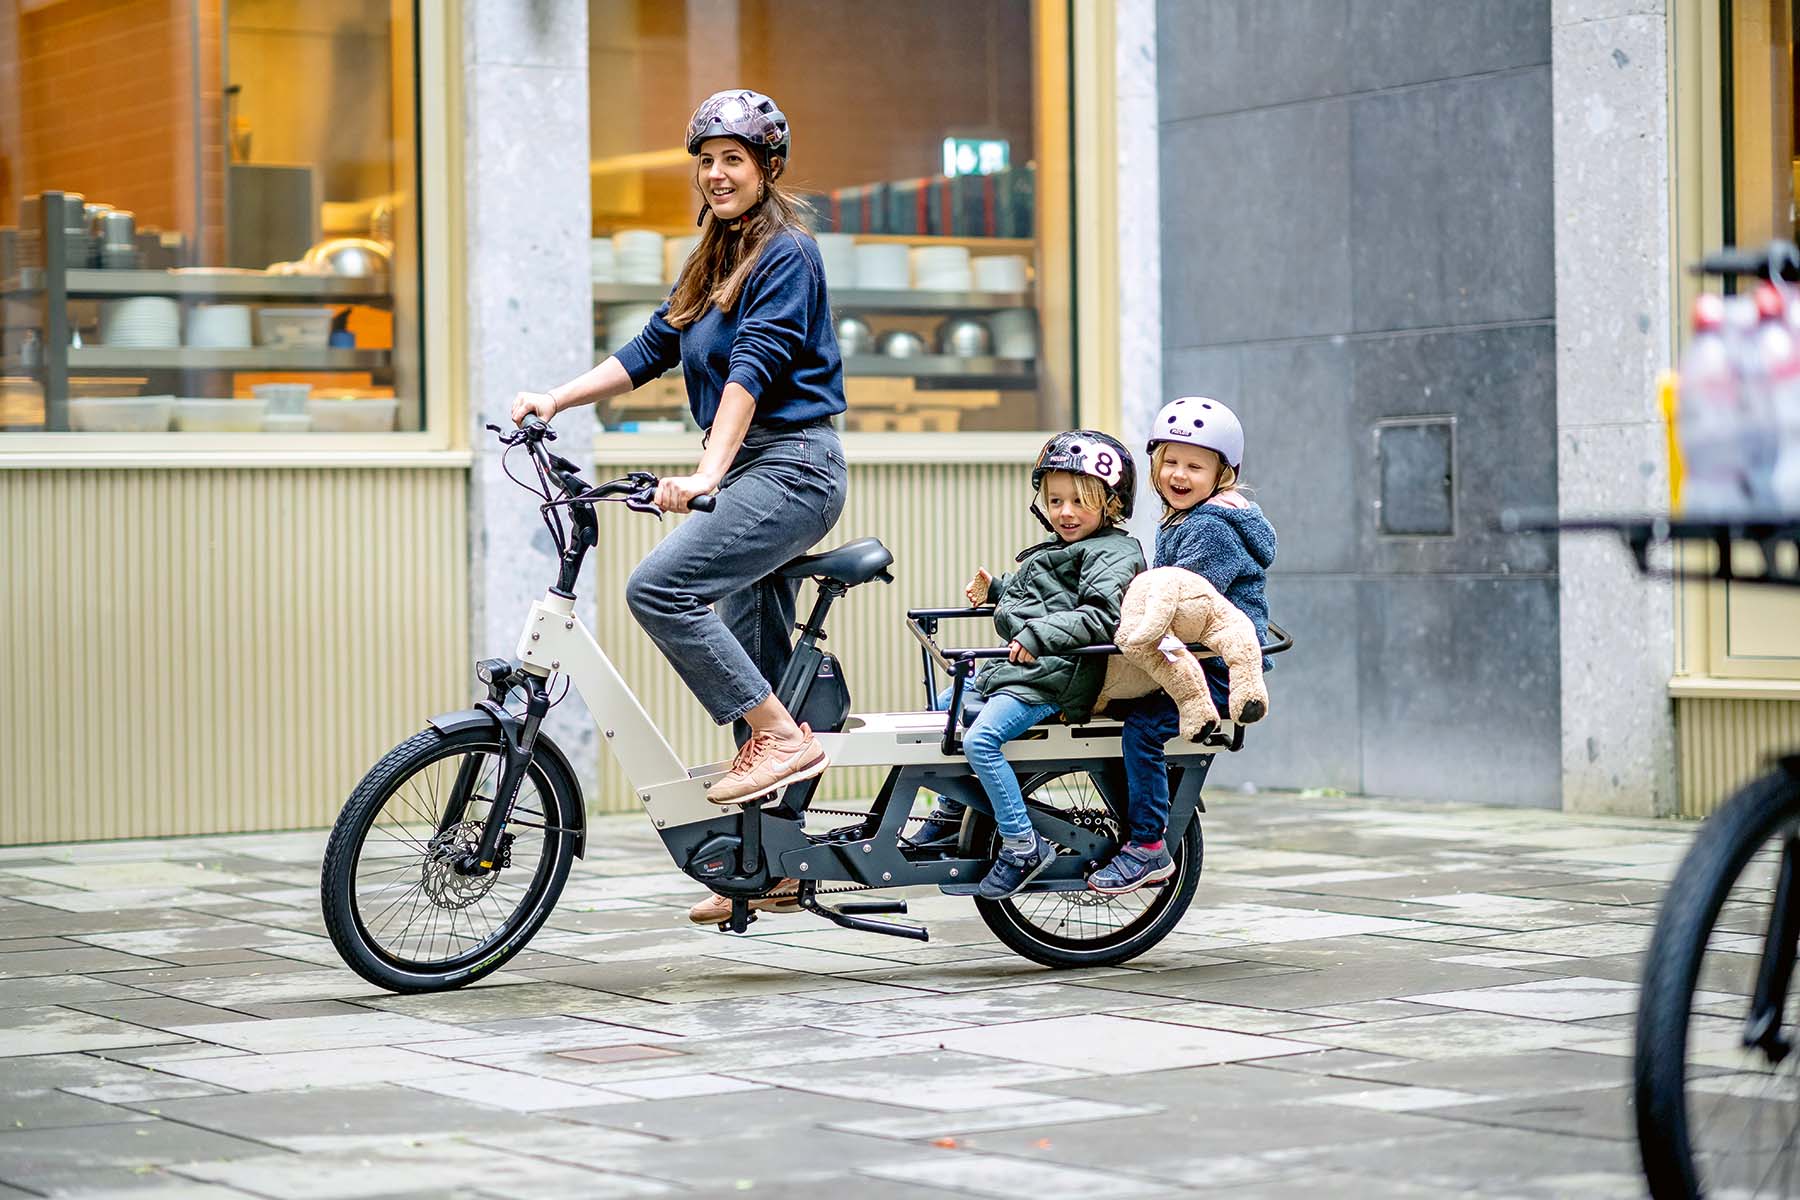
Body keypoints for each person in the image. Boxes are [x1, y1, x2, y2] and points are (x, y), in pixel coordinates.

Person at [509, 89, 847, 924]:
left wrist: (705, 474)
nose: (717, 173)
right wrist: (555, 398)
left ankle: (785, 738)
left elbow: (754, 368)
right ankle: (774, 863)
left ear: (769, 168)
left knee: (660, 589)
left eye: (734, 158)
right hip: (752, 471)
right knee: (752, 654)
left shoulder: (787, 253)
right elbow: (652, 347)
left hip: (793, 467)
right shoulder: (714, 256)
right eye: (706, 160)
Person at [910, 432, 1145, 899]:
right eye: (1055, 500)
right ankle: (953, 810)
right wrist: (998, 590)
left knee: (981, 741)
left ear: (1112, 503)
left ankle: (1022, 846)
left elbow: (1102, 617)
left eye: (1080, 501)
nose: (1065, 512)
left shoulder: (1114, 553)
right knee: (941, 709)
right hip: (1024, 672)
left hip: (1054, 679)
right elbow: (1046, 599)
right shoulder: (1062, 547)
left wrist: (1038, 636)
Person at [1086, 397, 1276, 895]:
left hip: (1218, 669)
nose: (1179, 474)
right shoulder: (1181, 518)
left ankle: (1148, 845)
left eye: (1195, 466)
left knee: (1143, 732)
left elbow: (1184, 603)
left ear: (1223, 474)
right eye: (1170, 461)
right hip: (1194, 657)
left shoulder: (1210, 528)